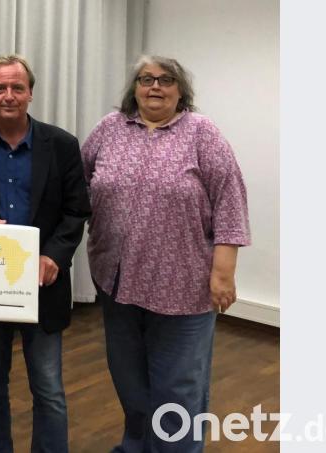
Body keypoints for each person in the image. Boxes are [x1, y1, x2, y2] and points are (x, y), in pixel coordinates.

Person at [80, 55, 250, 452]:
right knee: (130, 381)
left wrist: (223, 273)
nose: (155, 86)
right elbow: (79, 181)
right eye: (146, 79)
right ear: (134, 88)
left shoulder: (200, 133)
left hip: (183, 287)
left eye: (166, 79)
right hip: (116, 280)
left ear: (180, 90)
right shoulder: (110, 128)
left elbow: (230, 200)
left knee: (177, 388)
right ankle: (136, 446)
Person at [0, 54, 90, 453]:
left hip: (44, 282)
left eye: (17, 88)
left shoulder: (61, 145)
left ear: (31, 93)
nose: (9, 96)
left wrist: (55, 256)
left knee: (49, 388)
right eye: (0, 88)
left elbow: (77, 210)